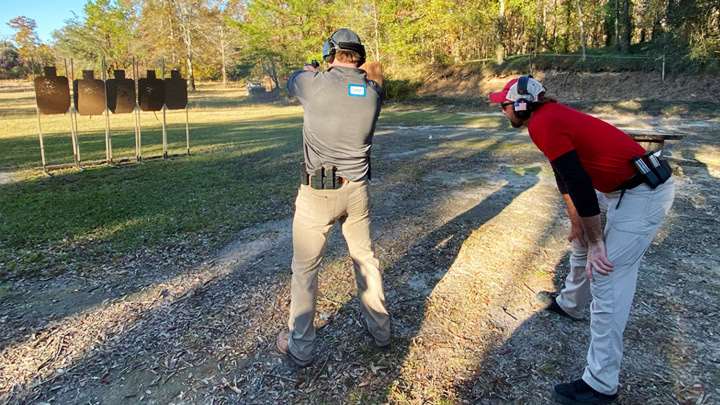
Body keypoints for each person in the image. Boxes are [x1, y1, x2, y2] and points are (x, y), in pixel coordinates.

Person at [489, 76, 675, 404]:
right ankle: (571, 304)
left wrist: (599, 243)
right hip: (623, 189)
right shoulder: (548, 118)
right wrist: (578, 221)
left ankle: (601, 385)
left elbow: (578, 181)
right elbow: (565, 174)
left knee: (606, 275)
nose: (502, 111)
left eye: (504, 105)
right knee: (581, 242)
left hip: (642, 194)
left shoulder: (543, 123)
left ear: (521, 105)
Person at [276, 28, 391, 368]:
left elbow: (293, 79)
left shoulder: (314, 84)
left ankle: (301, 348)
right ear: (360, 55)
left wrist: (314, 70)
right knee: (365, 260)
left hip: (318, 193)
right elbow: (375, 79)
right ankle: (381, 332)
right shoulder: (371, 94)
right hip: (357, 192)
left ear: (331, 52)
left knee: (305, 270)